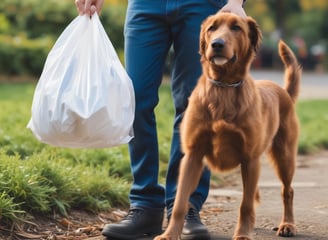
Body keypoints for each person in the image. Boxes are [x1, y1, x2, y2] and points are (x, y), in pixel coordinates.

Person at [75, 0, 246, 239]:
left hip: (203, 5)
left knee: (194, 105)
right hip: (145, 5)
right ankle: (145, 206)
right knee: (135, 99)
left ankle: (185, 206)